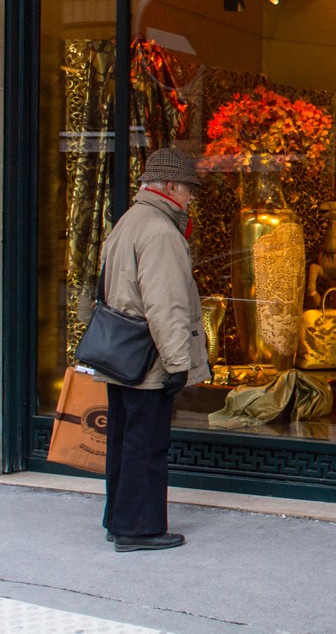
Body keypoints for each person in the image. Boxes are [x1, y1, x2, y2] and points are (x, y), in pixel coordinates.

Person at [99, 147, 211, 552]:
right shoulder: (161, 231)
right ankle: (139, 529)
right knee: (147, 444)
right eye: (188, 188)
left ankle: (119, 520)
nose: (191, 197)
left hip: (122, 355)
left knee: (123, 439)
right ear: (169, 186)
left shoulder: (130, 220)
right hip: (149, 359)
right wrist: (179, 362)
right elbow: (166, 305)